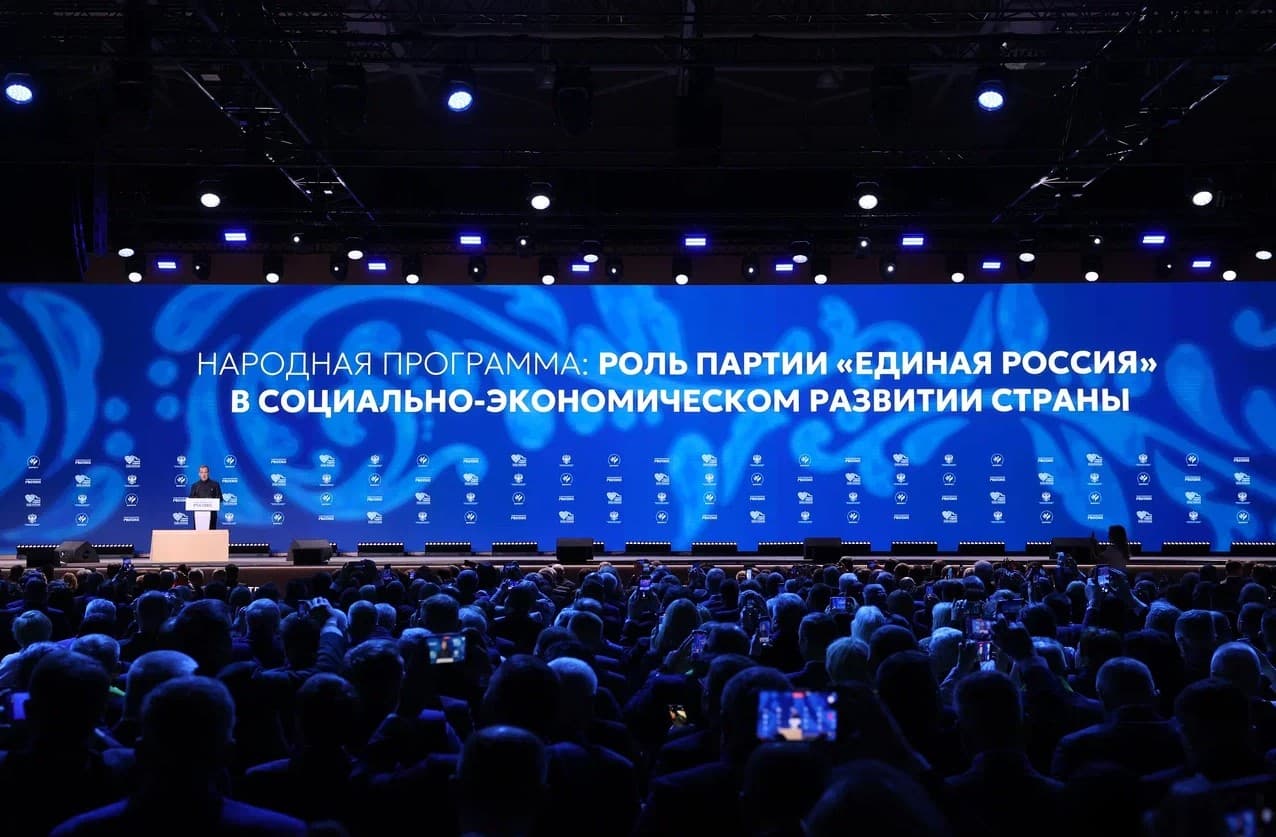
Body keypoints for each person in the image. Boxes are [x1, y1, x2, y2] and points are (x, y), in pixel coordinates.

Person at [188, 464, 223, 530]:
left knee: (211, 533)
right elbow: (191, 500)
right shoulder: (195, 486)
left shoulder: (215, 484)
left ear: (208, 473)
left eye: (205, 472)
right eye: (201, 472)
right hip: (198, 515)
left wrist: (211, 502)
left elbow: (220, 498)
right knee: (199, 533)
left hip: (212, 515)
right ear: (199, 474)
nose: (203, 474)